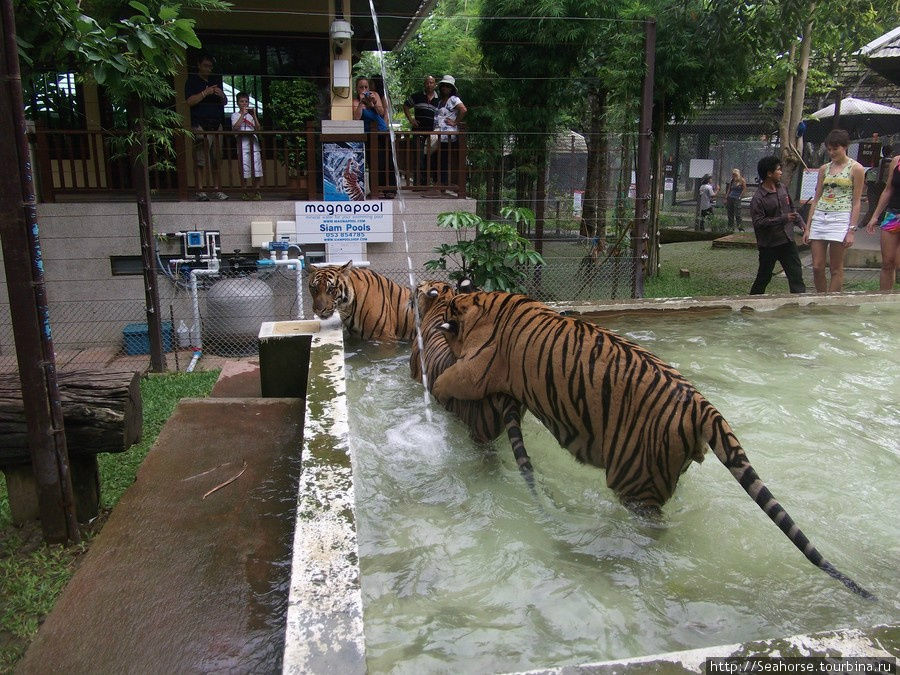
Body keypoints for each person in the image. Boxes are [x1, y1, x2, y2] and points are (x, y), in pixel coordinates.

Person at [803, 128, 864, 292]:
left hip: (841, 218)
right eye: (829, 149)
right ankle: (820, 299)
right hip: (820, 216)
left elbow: (857, 201)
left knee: (836, 267)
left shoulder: (856, 169)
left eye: (835, 148)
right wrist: (808, 227)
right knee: (817, 266)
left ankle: (832, 303)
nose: (832, 152)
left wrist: (851, 230)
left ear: (845, 147)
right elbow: (816, 198)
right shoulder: (824, 169)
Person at [748, 156, 806, 295]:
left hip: (787, 241)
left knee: (796, 275)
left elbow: (792, 209)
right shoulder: (758, 198)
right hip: (769, 244)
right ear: (769, 173)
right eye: (778, 170)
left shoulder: (782, 188)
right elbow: (758, 222)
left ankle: (799, 305)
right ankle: (750, 304)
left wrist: (802, 224)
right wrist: (782, 219)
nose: (781, 172)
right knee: (764, 277)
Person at [184, 52, 228, 201]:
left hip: (217, 124)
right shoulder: (192, 81)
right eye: (205, 66)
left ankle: (217, 189)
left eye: (210, 66)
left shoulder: (216, 80)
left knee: (217, 158)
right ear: (199, 65)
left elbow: (225, 102)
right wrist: (205, 92)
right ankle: (200, 190)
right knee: (200, 159)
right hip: (200, 125)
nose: (208, 69)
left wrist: (221, 94)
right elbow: (189, 101)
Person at [352, 77, 395, 197]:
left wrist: (374, 103)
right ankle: (377, 190)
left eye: (366, 87)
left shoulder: (374, 95)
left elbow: (381, 112)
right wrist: (362, 103)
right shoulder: (355, 101)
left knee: (387, 160)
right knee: (374, 162)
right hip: (369, 135)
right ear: (357, 88)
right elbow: (356, 118)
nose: (364, 89)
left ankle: (390, 189)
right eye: (361, 87)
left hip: (382, 131)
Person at [864, 152, 900, 290]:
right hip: (893, 214)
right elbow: (888, 190)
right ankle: (883, 300)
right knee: (887, 262)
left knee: (898, 262)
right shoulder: (896, 161)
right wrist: (875, 216)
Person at [403, 75, 438, 185]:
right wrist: (411, 119)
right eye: (427, 82)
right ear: (424, 84)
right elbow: (405, 105)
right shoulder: (417, 96)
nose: (429, 85)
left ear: (435, 84)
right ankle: (418, 184)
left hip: (433, 133)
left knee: (430, 158)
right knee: (418, 158)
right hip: (418, 131)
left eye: (431, 82)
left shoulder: (439, 99)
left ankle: (429, 183)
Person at [434, 75, 467, 190]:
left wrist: (455, 122)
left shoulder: (453, 99)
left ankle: (443, 183)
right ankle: (440, 181)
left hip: (448, 135)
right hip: (439, 134)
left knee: (444, 157)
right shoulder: (440, 101)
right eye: (443, 86)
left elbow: (463, 109)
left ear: (452, 88)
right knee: (437, 156)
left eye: (448, 86)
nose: (445, 88)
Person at [231, 92, 262, 200]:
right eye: (242, 101)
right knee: (244, 169)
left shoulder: (251, 116)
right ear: (238, 103)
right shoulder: (235, 115)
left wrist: (254, 116)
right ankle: (245, 192)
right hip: (242, 145)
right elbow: (235, 128)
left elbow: (258, 129)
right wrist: (243, 115)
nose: (244, 103)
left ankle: (257, 192)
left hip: (254, 144)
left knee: (257, 168)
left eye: (246, 101)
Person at [860, 144, 893, 227]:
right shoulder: (891, 162)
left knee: (873, 206)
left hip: (874, 186)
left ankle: (866, 223)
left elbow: (868, 175)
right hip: (881, 186)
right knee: (877, 206)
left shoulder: (875, 161)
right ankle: (864, 223)